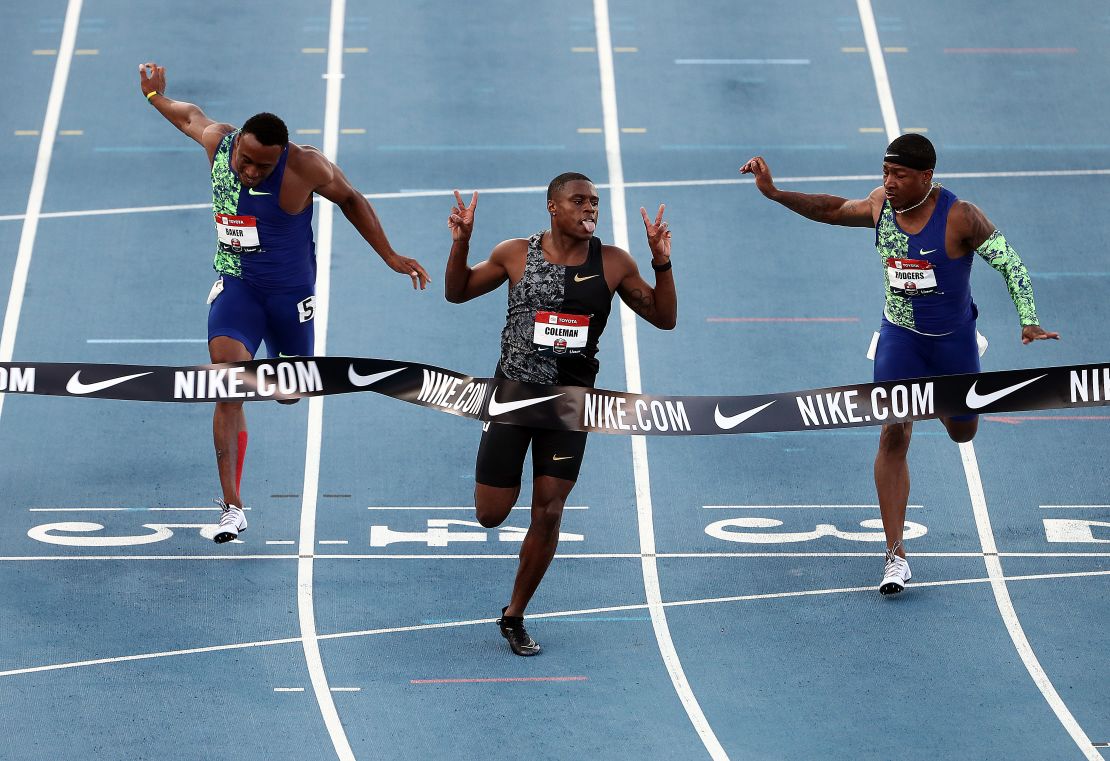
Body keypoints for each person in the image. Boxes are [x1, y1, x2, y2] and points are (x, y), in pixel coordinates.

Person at [740, 134, 1059, 595]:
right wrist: (775, 193)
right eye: (884, 172)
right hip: (900, 337)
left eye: (899, 175)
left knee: (961, 431)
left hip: (953, 343)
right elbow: (830, 209)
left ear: (926, 177)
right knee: (893, 429)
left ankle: (946, 395)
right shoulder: (879, 206)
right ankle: (895, 555)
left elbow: (1011, 264)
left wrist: (1028, 321)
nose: (887, 182)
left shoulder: (960, 216)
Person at [138, 62, 430, 543]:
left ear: (282, 157)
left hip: (291, 295)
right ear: (240, 146)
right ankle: (232, 506)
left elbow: (352, 199)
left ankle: (280, 375)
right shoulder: (219, 142)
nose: (251, 171)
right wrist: (154, 96)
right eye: (246, 162)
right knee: (227, 381)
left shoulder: (306, 167)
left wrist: (390, 256)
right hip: (238, 285)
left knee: (290, 391)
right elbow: (186, 115)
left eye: (262, 167)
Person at [445, 173, 676, 654]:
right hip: (513, 397)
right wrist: (461, 243)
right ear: (553, 207)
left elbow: (664, 317)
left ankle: (514, 615)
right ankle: (512, 601)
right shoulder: (515, 253)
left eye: (594, 202)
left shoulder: (612, 263)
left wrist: (661, 262)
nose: (589, 209)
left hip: (571, 404)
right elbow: (458, 291)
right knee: (490, 515)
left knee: (549, 510)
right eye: (578, 201)